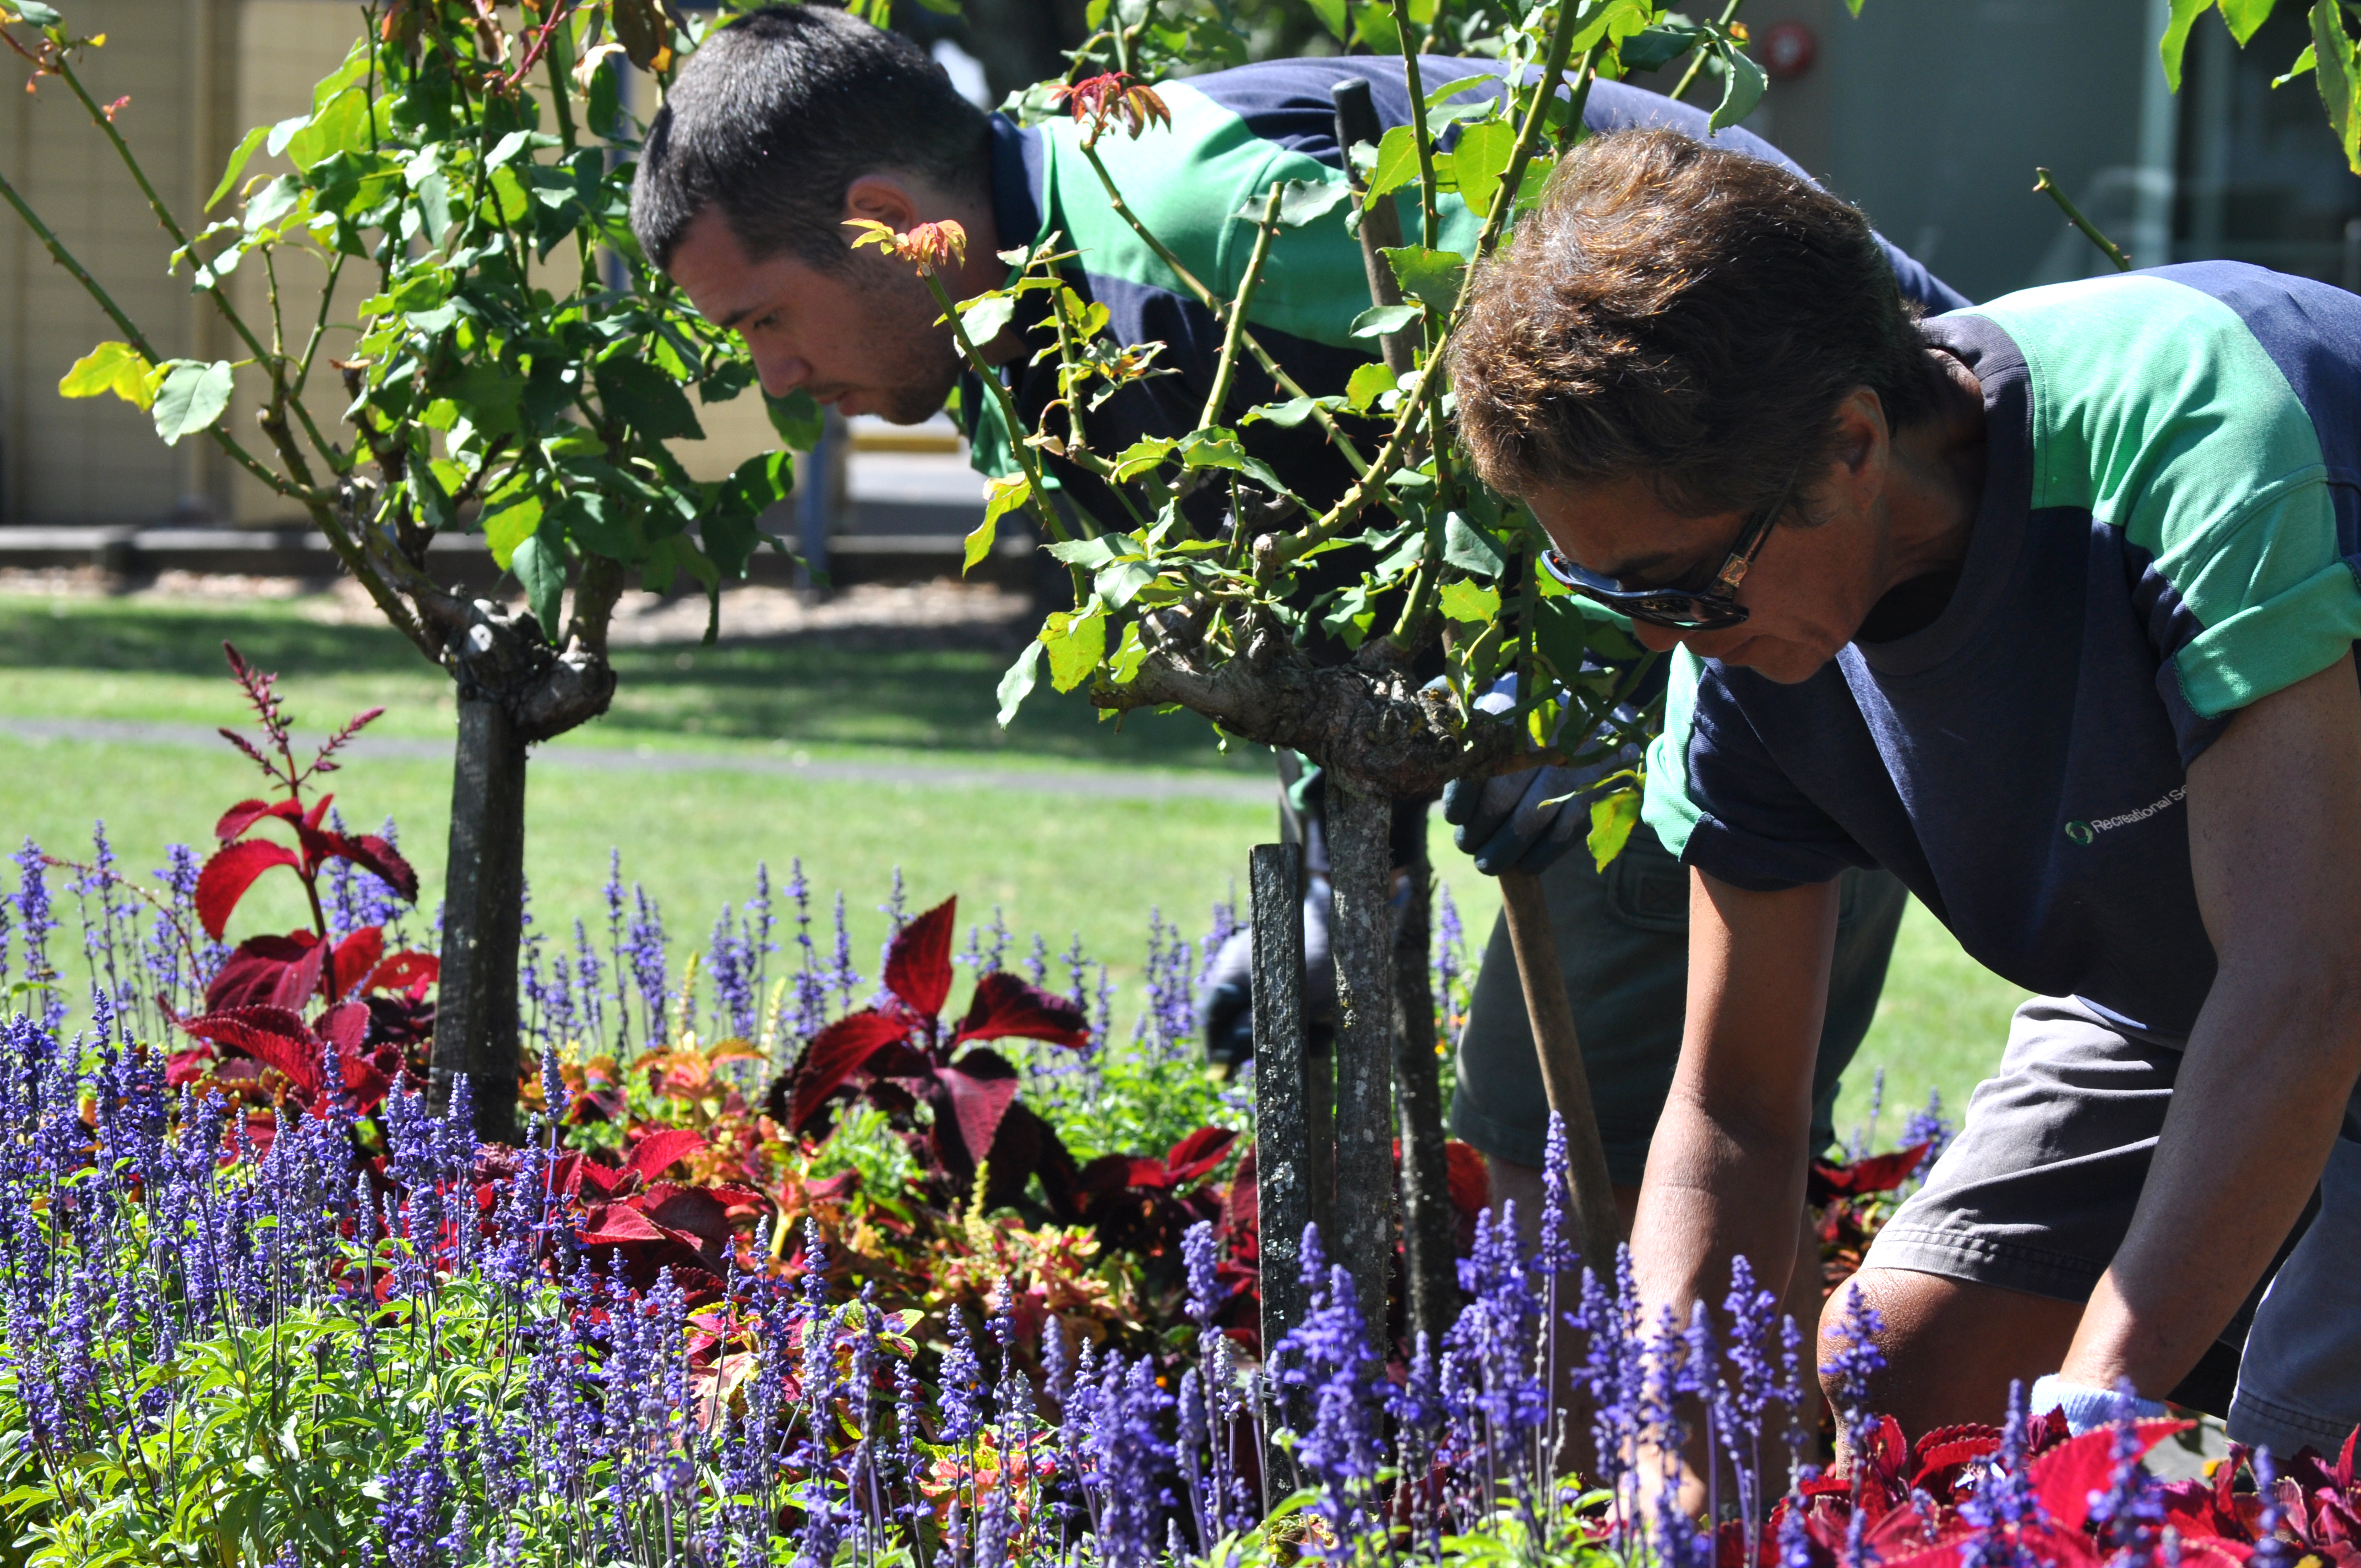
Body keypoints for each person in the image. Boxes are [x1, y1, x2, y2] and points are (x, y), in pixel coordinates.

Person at [627, 5, 1954, 1339]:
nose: (777, 376)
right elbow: (1321, 584)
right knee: (1596, 1180)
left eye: (765, 322)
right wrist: (1338, 858)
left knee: (1559, 1168)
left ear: (875, 216)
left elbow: (1595, 387)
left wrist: (1559, 691)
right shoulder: (1021, 307)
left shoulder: (1196, 223)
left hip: (1808, 560)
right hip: (1707, 623)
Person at [1451, 126, 2361, 1456]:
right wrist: (1679, 1449)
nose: (1658, 638)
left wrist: (2099, 1410)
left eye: (1677, 584)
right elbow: (1734, 1108)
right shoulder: (1746, 633)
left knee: (2290, 1470)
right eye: (1614, 592)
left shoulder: (2205, 438)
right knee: (1899, 1385)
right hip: (2193, 991)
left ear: (1851, 443)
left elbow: (2305, 981)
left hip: (2306, 960)